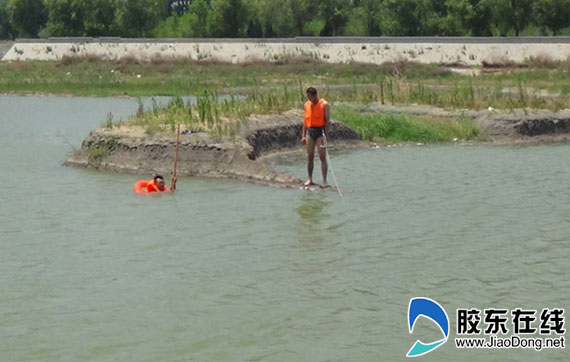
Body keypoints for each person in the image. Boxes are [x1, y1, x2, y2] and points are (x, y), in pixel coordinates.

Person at [301, 87, 330, 187]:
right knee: (310, 156)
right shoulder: (306, 105)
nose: (309, 99)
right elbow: (305, 121)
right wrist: (303, 135)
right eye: (307, 97)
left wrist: (326, 136)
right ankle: (310, 179)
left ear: (314, 95)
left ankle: (324, 181)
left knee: (322, 156)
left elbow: (327, 122)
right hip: (310, 131)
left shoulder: (324, 105)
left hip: (320, 132)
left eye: (310, 96)